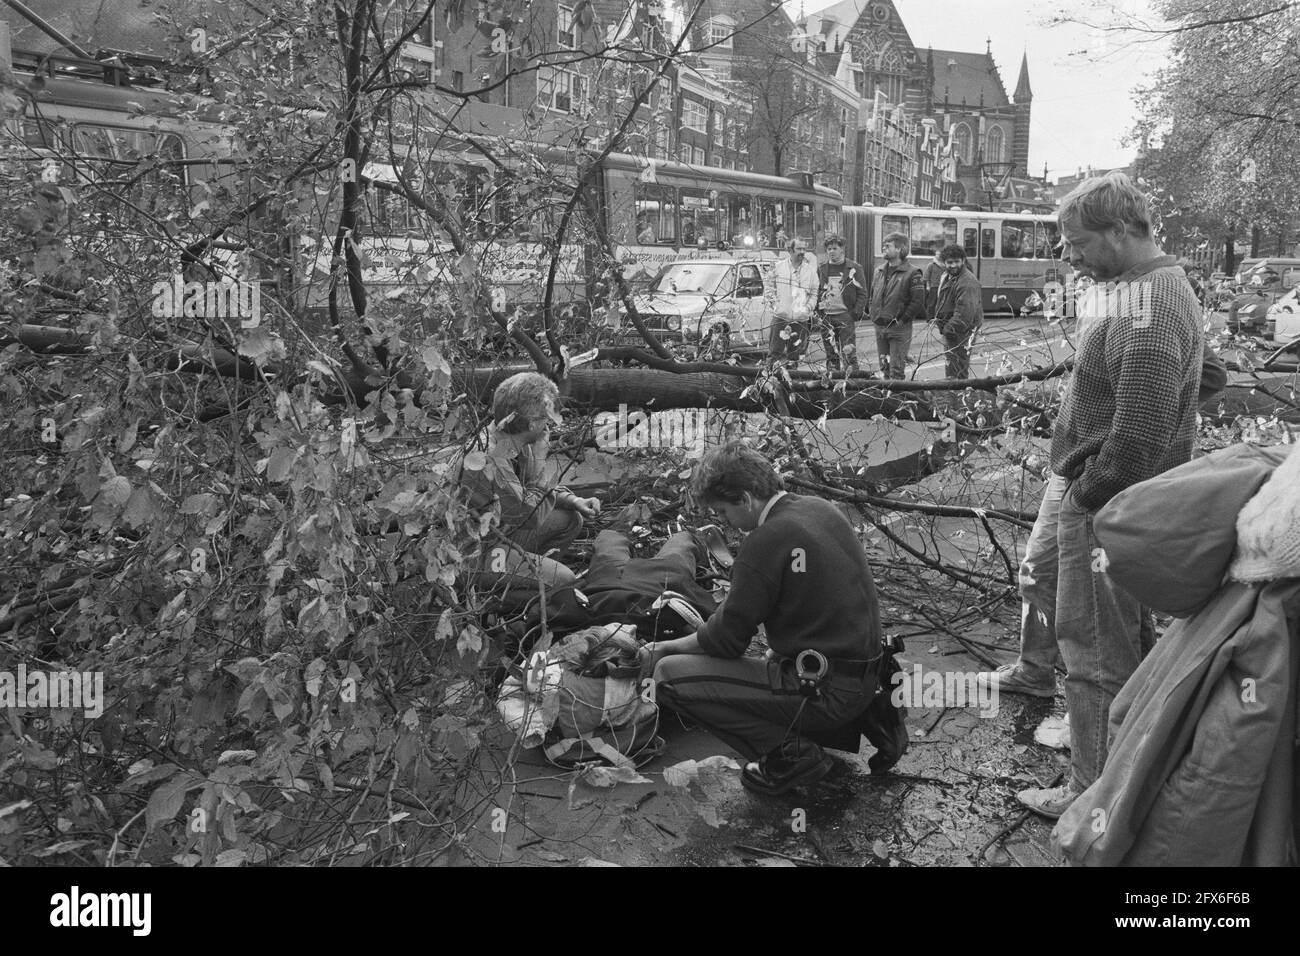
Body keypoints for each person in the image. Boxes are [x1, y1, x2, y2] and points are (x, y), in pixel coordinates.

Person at [972, 172, 1205, 819]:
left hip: (1106, 502)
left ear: (1123, 231)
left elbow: (1138, 435)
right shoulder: (1143, 289)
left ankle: (1093, 795)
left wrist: (1089, 496)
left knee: (1096, 650)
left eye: (1077, 243)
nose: (1069, 257)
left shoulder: (1153, 300)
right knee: (1073, 611)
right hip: (1094, 490)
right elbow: (1178, 388)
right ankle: (1103, 751)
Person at [648, 442, 884, 795]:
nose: (726, 523)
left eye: (724, 512)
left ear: (745, 499)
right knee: (766, 660)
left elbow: (725, 641)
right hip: (866, 678)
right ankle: (807, 731)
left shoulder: (766, 540)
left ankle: (792, 756)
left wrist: (664, 647)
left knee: (668, 676)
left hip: (829, 692)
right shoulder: (819, 508)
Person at [456, 372, 601, 602]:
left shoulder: (512, 436)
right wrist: (542, 460)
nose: (550, 424)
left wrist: (573, 501)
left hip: (500, 531)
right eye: (547, 418)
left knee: (570, 518)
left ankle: (525, 575)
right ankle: (496, 602)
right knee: (564, 579)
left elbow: (530, 493)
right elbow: (529, 515)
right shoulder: (493, 458)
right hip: (473, 555)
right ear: (532, 423)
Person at [867, 231, 925, 379]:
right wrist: (873, 315)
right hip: (880, 327)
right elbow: (872, 294)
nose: (884, 249)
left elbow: (917, 301)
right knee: (884, 368)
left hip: (899, 329)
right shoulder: (878, 271)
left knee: (896, 370)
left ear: (899, 249)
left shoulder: (913, 273)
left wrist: (902, 320)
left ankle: (897, 399)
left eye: (888, 246)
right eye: (884, 246)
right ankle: (886, 400)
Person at [814, 234, 867, 372]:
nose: (831, 251)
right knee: (831, 355)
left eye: (835, 248)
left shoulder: (854, 268)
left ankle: (852, 384)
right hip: (826, 317)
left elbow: (862, 293)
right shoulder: (822, 268)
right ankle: (832, 386)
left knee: (848, 354)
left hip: (845, 316)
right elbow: (816, 291)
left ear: (842, 249)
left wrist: (855, 313)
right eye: (829, 249)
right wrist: (819, 313)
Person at [932, 243, 983, 380]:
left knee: (957, 372)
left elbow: (964, 314)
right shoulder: (949, 277)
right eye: (949, 262)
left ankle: (958, 398)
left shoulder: (967, 282)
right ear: (944, 263)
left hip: (960, 333)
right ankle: (955, 397)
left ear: (963, 261)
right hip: (954, 332)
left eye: (956, 262)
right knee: (952, 370)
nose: (953, 265)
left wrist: (948, 329)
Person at [769, 238, 820, 360]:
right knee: (774, 354)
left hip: (800, 320)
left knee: (795, 356)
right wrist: (776, 306)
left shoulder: (811, 271)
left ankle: (792, 378)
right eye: (799, 249)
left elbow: (814, 293)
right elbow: (769, 288)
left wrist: (807, 308)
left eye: (804, 249)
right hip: (780, 318)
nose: (802, 252)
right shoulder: (778, 267)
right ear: (790, 250)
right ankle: (770, 378)